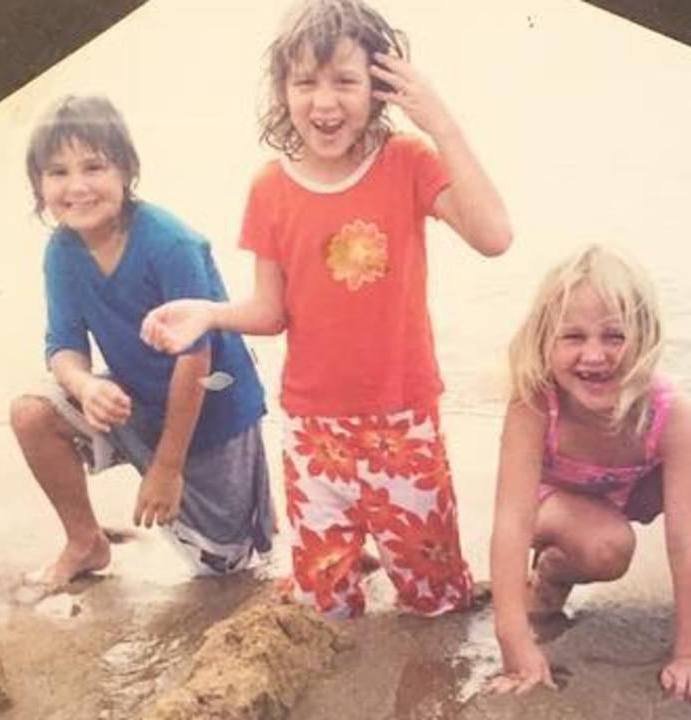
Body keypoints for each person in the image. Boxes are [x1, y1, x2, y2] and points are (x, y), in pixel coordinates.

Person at [140, 0, 512, 618]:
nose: (325, 102)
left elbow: (494, 236)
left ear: (379, 88)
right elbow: (271, 310)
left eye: (346, 80)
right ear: (282, 91)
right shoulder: (270, 186)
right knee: (325, 607)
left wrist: (440, 123)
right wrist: (209, 314)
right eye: (305, 82)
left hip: (404, 424)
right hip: (314, 432)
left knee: (436, 602)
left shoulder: (408, 162)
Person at [486, 244, 691, 704]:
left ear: (645, 337)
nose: (595, 355)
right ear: (543, 340)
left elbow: (689, 541)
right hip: (553, 506)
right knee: (608, 546)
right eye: (573, 337)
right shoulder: (534, 404)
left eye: (614, 336)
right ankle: (551, 574)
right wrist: (516, 643)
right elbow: (511, 522)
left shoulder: (668, 412)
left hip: (633, 486)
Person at [9, 95, 273, 591]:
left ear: (126, 170)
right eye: (58, 172)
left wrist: (167, 467)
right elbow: (63, 346)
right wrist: (85, 385)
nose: (77, 187)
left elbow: (197, 358)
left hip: (212, 408)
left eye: (94, 166)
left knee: (228, 569)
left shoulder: (170, 243)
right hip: (135, 399)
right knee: (31, 412)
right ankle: (85, 541)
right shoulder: (62, 251)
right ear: (38, 183)